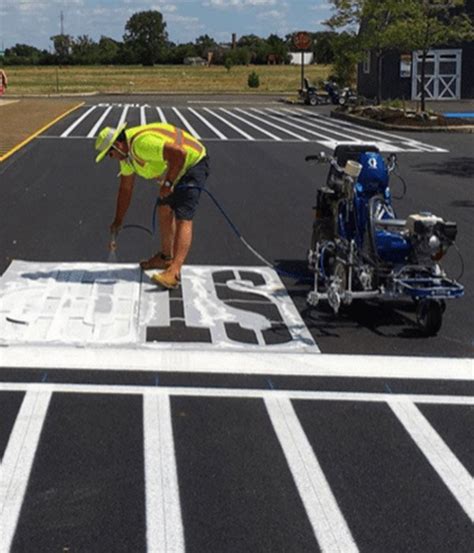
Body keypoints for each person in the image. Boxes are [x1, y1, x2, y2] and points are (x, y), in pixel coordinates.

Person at [95, 122, 210, 289]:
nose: (110, 158)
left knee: (183, 214)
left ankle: (175, 271)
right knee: (164, 207)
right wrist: (118, 221)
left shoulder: (141, 144)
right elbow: (126, 189)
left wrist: (169, 183)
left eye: (109, 154)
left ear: (118, 145)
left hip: (193, 162)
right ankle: (165, 258)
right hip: (177, 166)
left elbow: (180, 153)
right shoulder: (126, 158)